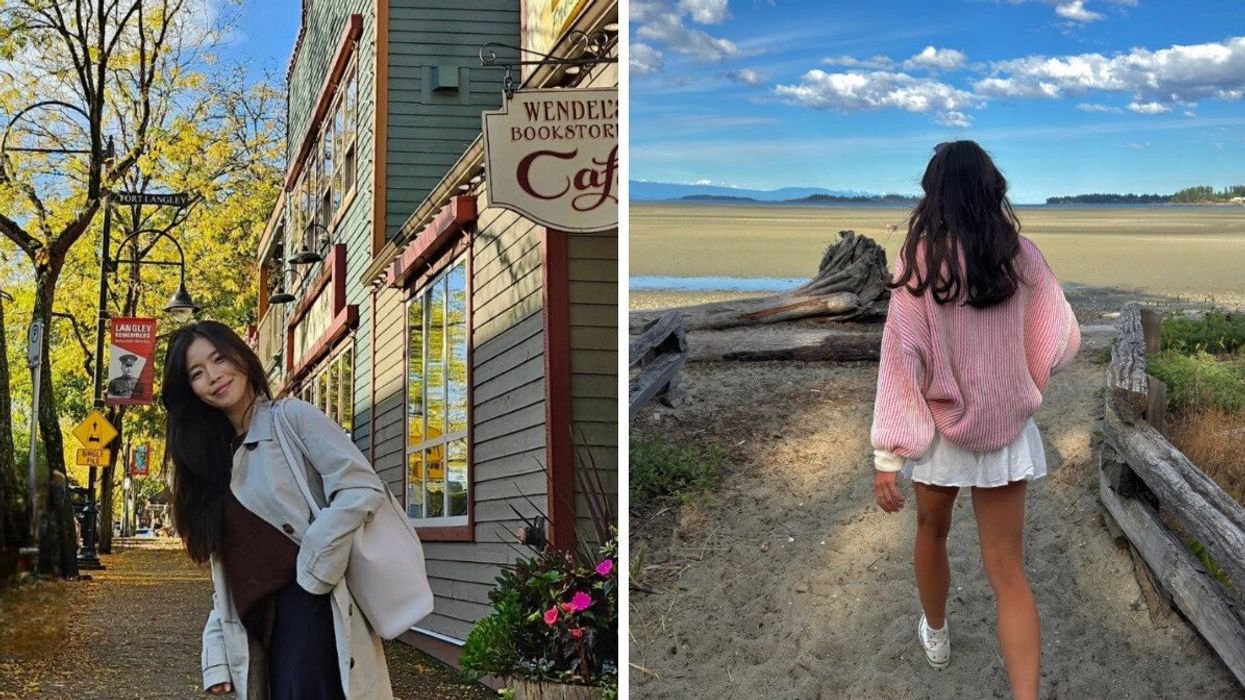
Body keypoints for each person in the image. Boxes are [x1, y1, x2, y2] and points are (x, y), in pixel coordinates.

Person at [870, 140, 1080, 700]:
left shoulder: (920, 260)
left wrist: (888, 454)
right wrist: (1018, 375)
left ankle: (936, 634)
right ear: (992, 190)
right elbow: (1062, 340)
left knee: (931, 532)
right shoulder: (1021, 255)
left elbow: (901, 356)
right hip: (1006, 433)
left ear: (933, 193)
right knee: (1008, 569)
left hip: (941, 434)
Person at [161, 320, 394, 699]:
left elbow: (360, 487)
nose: (214, 376)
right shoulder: (211, 462)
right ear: (189, 390)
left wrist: (312, 573)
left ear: (241, 356)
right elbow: (233, 571)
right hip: (260, 632)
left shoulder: (291, 419)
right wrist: (216, 653)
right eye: (197, 373)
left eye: (219, 359)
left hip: (312, 611)